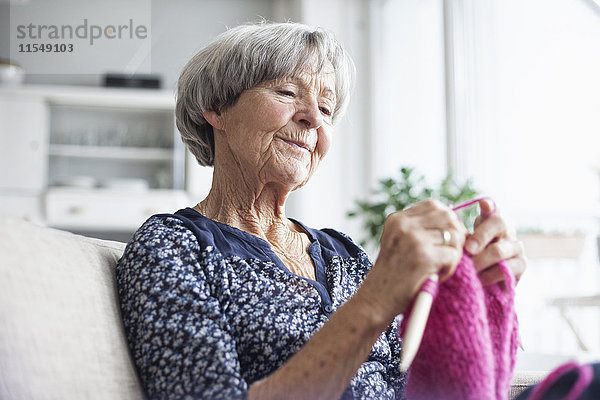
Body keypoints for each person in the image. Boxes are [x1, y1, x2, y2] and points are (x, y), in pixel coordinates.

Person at [116, 21, 527, 399]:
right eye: (287, 92)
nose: (313, 118)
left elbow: (427, 381)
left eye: (327, 108)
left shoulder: (341, 254)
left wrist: (482, 288)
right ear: (217, 109)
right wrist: (377, 299)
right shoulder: (173, 246)